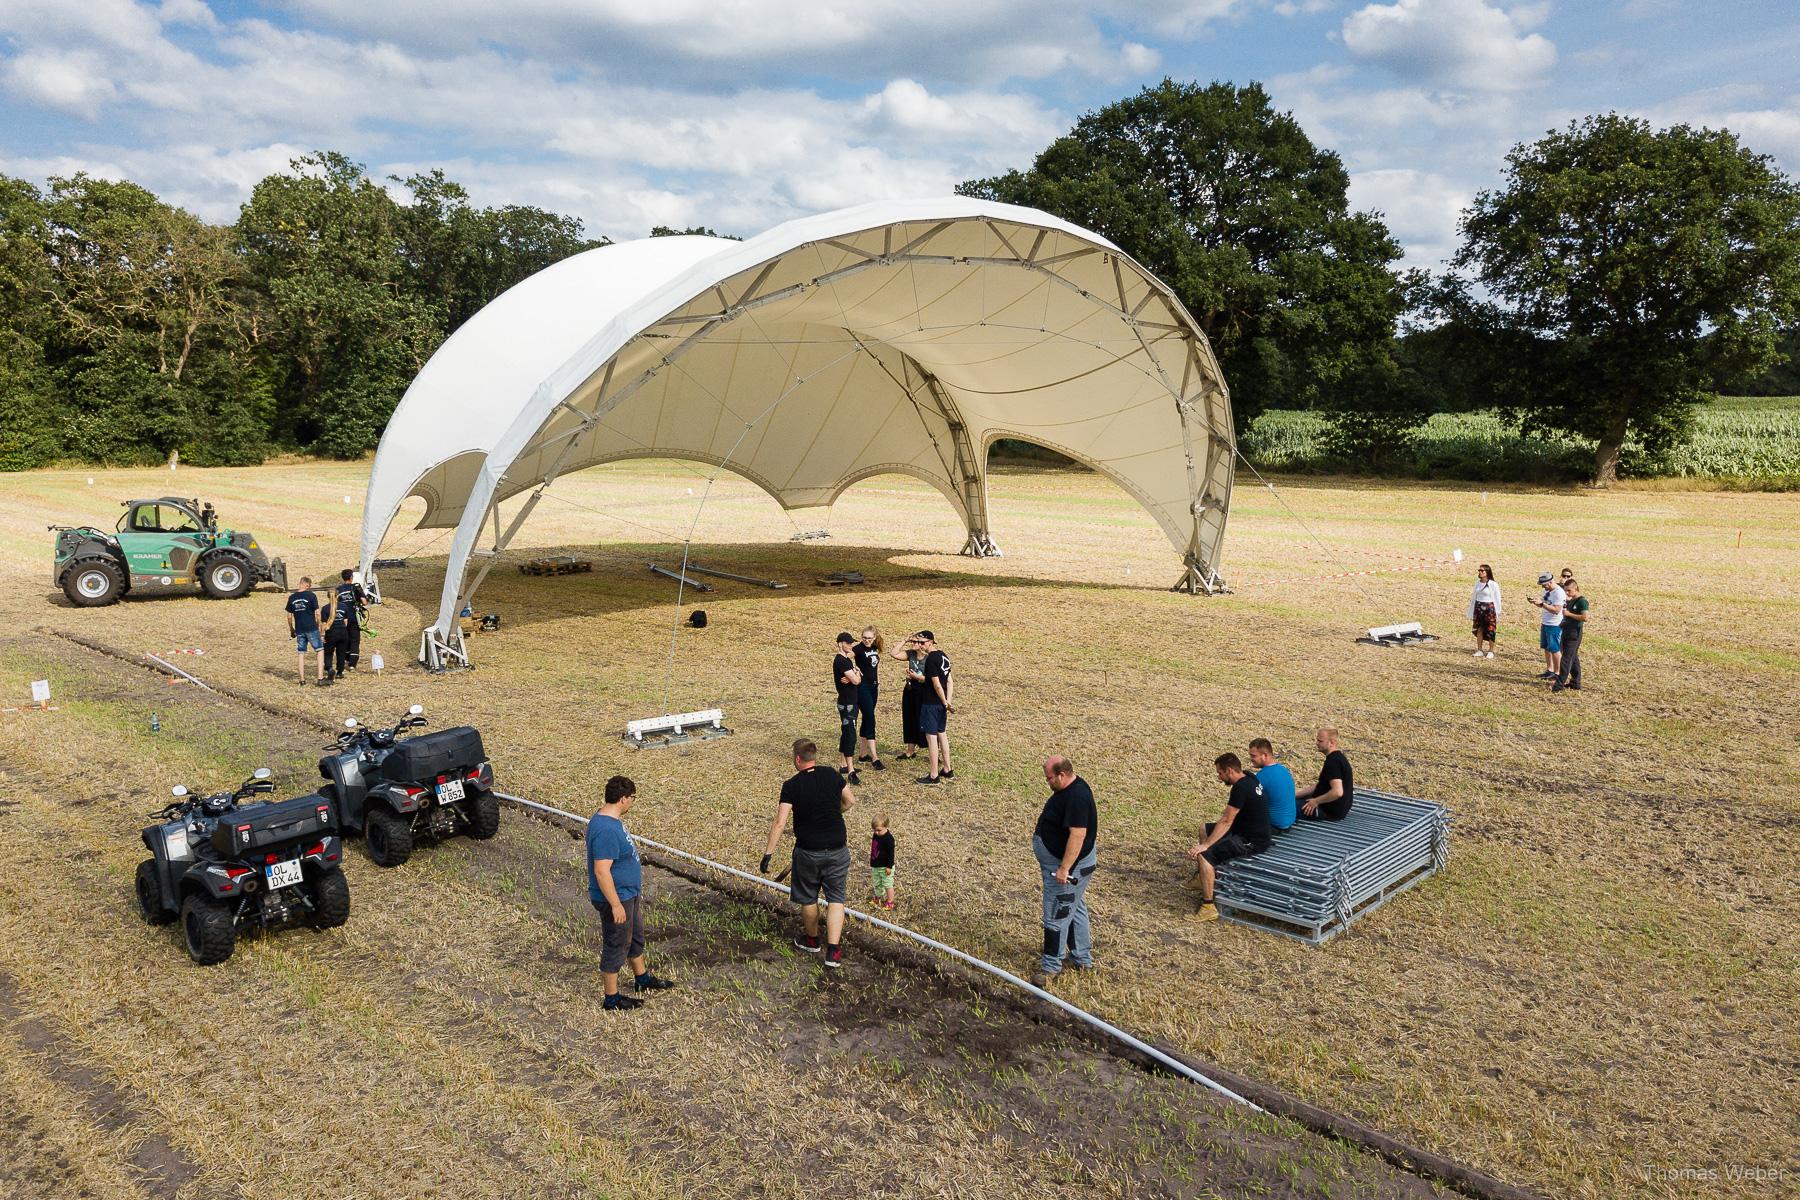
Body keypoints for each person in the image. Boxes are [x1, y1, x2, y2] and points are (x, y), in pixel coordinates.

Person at [762, 739, 855, 970]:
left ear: (797, 759)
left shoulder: (791, 786)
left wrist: (768, 854)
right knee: (836, 899)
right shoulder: (832, 775)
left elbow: (780, 822)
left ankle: (812, 940)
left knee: (808, 897)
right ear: (814, 756)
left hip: (808, 852)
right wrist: (836, 810)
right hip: (837, 848)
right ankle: (833, 952)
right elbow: (850, 800)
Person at [586, 775, 676, 1012]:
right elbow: (602, 871)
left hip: (627, 894)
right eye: (633, 799)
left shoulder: (610, 820)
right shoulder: (605, 829)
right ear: (624, 799)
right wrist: (615, 904)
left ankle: (642, 978)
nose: (633, 803)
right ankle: (612, 998)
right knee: (617, 943)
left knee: (634, 937)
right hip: (617, 897)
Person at [1029, 756, 1097, 987]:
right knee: (1074, 908)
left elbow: (1078, 835)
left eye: (1049, 778)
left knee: (1057, 912)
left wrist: (1064, 868)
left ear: (1062, 775)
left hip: (1068, 869)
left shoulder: (1077, 797)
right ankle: (1081, 958)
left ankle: (1050, 966)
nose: (1047, 782)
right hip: (1067, 864)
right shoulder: (1072, 788)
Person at [1184, 753, 1273, 922]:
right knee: (1204, 828)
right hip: (1248, 830)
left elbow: (1226, 821)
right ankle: (1202, 878)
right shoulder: (1249, 776)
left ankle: (1208, 906)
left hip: (1251, 841)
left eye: (1220, 773)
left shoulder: (1240, 788)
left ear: (1230, 770)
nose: (1219, 777)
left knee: (1205, 856)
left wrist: (1205, 846)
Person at [915, 631, 955, 785]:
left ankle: (933, 775)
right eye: (918, 642)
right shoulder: (943, 655)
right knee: (942, 734)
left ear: (930, 642)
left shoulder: (931, 659)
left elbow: (937, 684)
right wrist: (947, 702)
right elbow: (950, 681)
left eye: (922, 642)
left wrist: (945, 701)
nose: (919, 645)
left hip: (931, 704)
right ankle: (947, 769)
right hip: (941, 704)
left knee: (932, 739)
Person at [1294, 728, 1354, 821]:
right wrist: (1297, 794)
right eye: (1317, 740)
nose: (1317, 743)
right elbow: (1322, 785)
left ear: (1332, 743)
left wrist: (1316, 801)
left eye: (1320, 741)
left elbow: (1337, 792)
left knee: (1285, 808)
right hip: (1336, 809)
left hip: (1328, 810)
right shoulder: (1338, 758)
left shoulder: (1333, 762)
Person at [889, 633, 927, 759]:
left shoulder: (930, 658)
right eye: (913, 642)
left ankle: (933, 750)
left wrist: (918, 677)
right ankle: (910, 751)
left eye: (916, 642)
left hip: (924, 690)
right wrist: (904, 640)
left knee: (924, 720)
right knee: (910, 718)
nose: (913, 644)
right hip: (911, 689)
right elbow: (893, 653)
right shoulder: (911, 654)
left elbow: (933, 679)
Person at [853, 627, 886, 772]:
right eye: (864, 637)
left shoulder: (874, 647)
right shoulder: (858, 649)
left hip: (873, 686)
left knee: (867, 718)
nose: (866, 640)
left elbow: (875, 666)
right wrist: (854, 668)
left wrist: (877, 683)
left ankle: (862, 754)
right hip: (863, 687)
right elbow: (844, 656)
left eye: (869, 638)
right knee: (870, 718)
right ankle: (875, 757)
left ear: (874, 638)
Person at [831, 632, 863, 784]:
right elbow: (856, 681)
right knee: (850, 734)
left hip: (849, 701)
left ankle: (843, 764)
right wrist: (856, 675)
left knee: (846, 732)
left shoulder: (845, 661)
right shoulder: (842, 661)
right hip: (847, 702)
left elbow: (856, 677)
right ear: (840, 644)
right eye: (848, 643)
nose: (851, 645)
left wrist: (855, 674)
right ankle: (850, 770)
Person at [284, 576, 327, 686]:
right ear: (307, 585)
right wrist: (318, 625)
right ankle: (320, 678)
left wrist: (292, 629)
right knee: (320, 650)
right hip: (311, 627)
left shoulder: (292, 597)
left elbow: (289, 616)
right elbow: (317, 613)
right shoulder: (311, 595)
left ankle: (302, 680)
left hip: (299, 629)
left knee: (301, 653)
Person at [1247, 738, 1296, 831]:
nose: (1251, 759)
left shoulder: (1262, 776)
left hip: (1274, 825)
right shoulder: (1284, 770)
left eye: (1253, 756)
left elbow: (1250, 802)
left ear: (1264, 755)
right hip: (1289, 822)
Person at [1554, 578, 1589, 693]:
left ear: (1576, 588)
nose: (1567, 593)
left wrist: (1569, 614)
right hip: (1567, 630)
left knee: (1566, 659)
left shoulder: (1582, 601)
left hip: (1575, 633)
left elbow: (1585, 617)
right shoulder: (1571, 600)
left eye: (1569, 590)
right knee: (1573, 658)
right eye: (1565, 591)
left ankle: (1559, 685)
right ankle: (1575, 682)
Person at [1529, 572, 1566, 680]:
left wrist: (1542, 604)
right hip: (1545, 622)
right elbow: (1546, 603)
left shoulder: (1559, 593)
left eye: (1544, 585)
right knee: (1546, 647)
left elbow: (1556, 610)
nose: (1543, 587)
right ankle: (1549, 670)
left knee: (1555, 649)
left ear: (1550, 582)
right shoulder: (1546, 590)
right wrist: (1537, 601)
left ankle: (1557, 672)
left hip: (1555, 624)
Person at [323, 579, 356, 682]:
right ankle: (339, 672)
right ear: (338, 596)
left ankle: (329, 668)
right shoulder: (343, 606)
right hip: (342, 632)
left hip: (331, 633)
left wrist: (322, 636)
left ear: (328, 596)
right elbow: (345, 622)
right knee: (341, 653)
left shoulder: (325, 609)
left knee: (328, 653)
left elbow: (324, 625)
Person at [334, 568, 368, 671]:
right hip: (354, 617)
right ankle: (352, 664)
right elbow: (364, 602)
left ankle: (346, 659)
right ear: (351, 577)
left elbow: (335, 603)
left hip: (342, 618)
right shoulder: (356, 587)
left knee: (345, 639)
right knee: (354, 640)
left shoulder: (338, 589)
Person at [1468, 564, 1501, 659]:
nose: (1480, 572)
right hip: (1479, 608)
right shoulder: (1477, 583)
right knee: (1479, 629)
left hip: (1489, 609)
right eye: (1479, 570)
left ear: (1487, 572)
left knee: (1491, 630)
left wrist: (1497, 611)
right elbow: (1474, 596)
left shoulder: (1493, 584)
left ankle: (1491, 651)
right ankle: (1479, 649)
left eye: (1482, 571)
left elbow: (1497, 598)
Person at [869, 815, 896, 909]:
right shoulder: (876, 835)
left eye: (879, 830)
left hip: (885, 867)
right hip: (876, 865)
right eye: (874, 830)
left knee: (887, 884)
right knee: (877, 883)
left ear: (886, 827)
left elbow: (891, 854)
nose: (876, 832)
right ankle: (878, 897)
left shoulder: (889, 839)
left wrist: (889, 866)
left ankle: (890, 901)